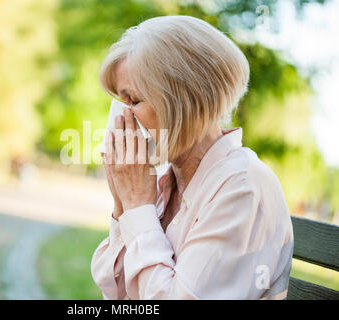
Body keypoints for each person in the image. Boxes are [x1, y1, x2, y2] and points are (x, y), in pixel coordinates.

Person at [91, 15, 294, 300]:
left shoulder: (243, 188)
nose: (122, 118)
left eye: (134, 101)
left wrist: (137, 207)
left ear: (183, 101)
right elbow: (116, 293)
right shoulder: (166, 182)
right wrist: (123, 206)